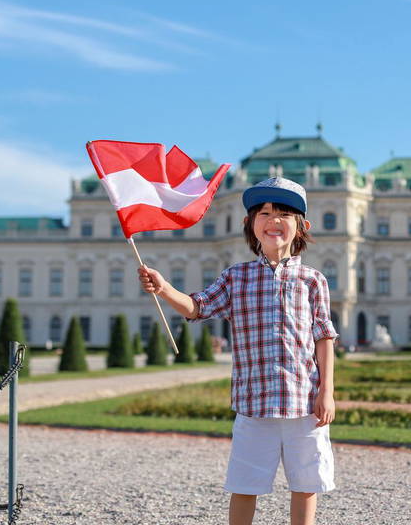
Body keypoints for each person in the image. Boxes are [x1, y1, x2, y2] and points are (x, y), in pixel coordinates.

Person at [138, 177, 337, 525]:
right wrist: (165, 288)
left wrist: (328, 393)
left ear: (301, 226)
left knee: (306, 485)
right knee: (245, 486)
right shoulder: (237, 277)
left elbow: (324, 337)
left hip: (304, 403)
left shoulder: (312, 279)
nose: (273, 220)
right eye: (263, 213)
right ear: (250, 225)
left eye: (283, 214)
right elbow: (197, 307)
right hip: (253, 405)